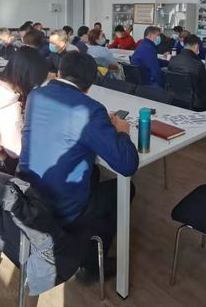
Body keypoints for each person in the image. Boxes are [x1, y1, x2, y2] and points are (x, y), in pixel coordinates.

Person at [17, 52, 139, 281]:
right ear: (91, 83)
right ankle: (91, 264)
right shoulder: (90, 109)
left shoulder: (35, 95)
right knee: (125, 188)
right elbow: (127, 164)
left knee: (94, 171)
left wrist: (99, 126)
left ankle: (84, 243)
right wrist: (122, 132)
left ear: (59, 73)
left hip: (28, 194)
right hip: (59, 206)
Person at [168, 35, 206, 111]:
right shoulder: (198, 64)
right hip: (195, 103)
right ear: (196, 46)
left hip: (174, 98)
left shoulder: (173, 60)